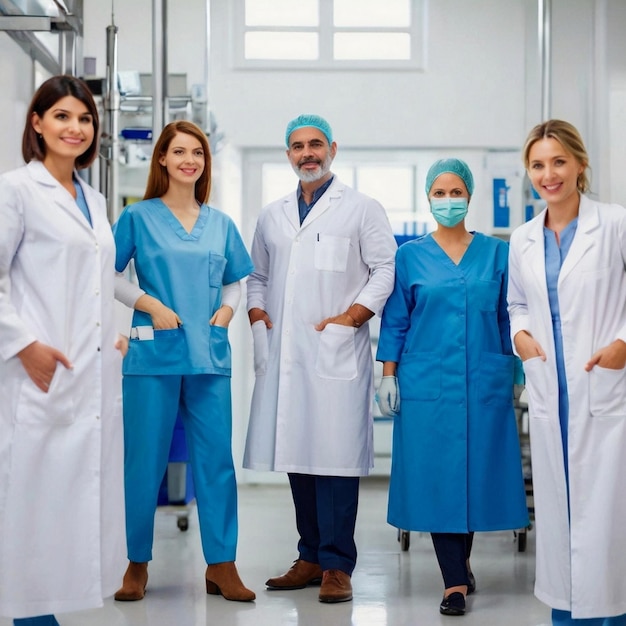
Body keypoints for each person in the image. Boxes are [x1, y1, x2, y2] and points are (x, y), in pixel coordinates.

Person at [243, 114, 396, 603]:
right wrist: (258, 313)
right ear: (287, 154)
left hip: (334, 348)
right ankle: (309, 556)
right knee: (297, 453)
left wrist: (352, 317)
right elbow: (256, 276)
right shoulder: (272, 215)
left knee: (334, 458)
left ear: (333, 148)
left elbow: (384, 268)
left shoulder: (362, 209)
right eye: (296, 146)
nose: (306, 153)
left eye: (314, 144)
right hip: (288, 353)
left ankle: (336, 564)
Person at [376, 158, 529, 617]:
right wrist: (388, 374)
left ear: (469, 196)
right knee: (439, 478)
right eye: (439, 193)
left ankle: (460, 564)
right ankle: (454, 582)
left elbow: (509, 316)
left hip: (484, 381)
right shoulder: (409, 257)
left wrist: (517, 372)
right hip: (427, 386)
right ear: (428, 198)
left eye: (455, 192)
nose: (448, 201)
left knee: (475, 475)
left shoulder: (497, 255)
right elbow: (396, 321)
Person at [0, 75, 126, 625]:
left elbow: (103, 280)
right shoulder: (16, 191)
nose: (75, 128)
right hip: (38, 373)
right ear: (37, 123)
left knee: (72, 507)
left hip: (90, 374)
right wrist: (25, 345)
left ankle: (45, 612)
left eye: (84, 119)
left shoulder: (94, 199)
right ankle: (31, 616)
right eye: (63, 117)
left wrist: (118, 333)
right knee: (33, 505)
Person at [112, 120, 255, 603]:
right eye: (179, 152)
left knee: (216, 462)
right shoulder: (138, 217)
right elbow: (106, 273)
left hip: (208, 355)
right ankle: (136, 564)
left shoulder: (220, 223)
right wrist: (148, 303)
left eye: (197, 152)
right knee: (144, 462)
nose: (189, 159)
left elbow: (237, 279)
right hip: (153, 354)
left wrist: (228, 310)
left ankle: (222, 565)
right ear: (163, 160)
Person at [508, 120, 626, 625]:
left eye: (558, 161)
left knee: (605, 516)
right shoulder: (523, 238)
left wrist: (624, 344)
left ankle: (612, 615)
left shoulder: (614, 223)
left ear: (580, 164)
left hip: (603, 387)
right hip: (550, 388)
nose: (548, 174)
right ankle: (567, 615)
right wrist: (520, 337)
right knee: (559, 514)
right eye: (538, 164)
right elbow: (516, 303)